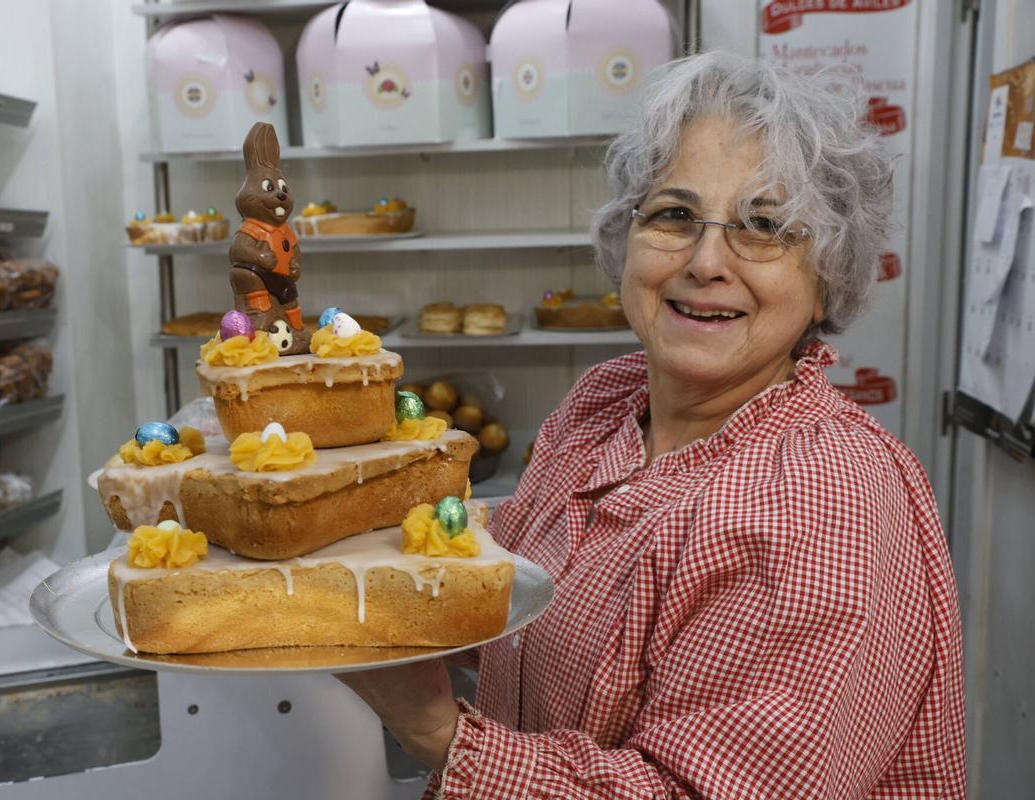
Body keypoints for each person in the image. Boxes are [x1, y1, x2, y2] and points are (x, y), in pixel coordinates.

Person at [338, 50, 966, 799]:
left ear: (826, 272)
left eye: (763, 227)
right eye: (674, 214)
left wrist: (437, 732)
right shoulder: (609, 401)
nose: (706, 261)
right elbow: (539, 623)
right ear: (625, 235)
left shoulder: (820, 500)